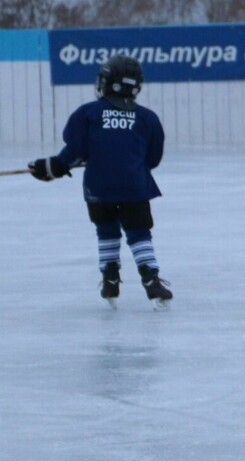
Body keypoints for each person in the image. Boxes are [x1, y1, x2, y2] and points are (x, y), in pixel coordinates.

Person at [28, 54, 172, 310]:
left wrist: (50, 167)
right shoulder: (148, 118)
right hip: (135, 187)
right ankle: (151, 279)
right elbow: (153, 159)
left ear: (108, 83)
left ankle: (110, 277)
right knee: (139, 233)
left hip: (98, 188)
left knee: (106, 230)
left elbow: (73, 152)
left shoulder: (88, 114)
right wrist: (129, 165)